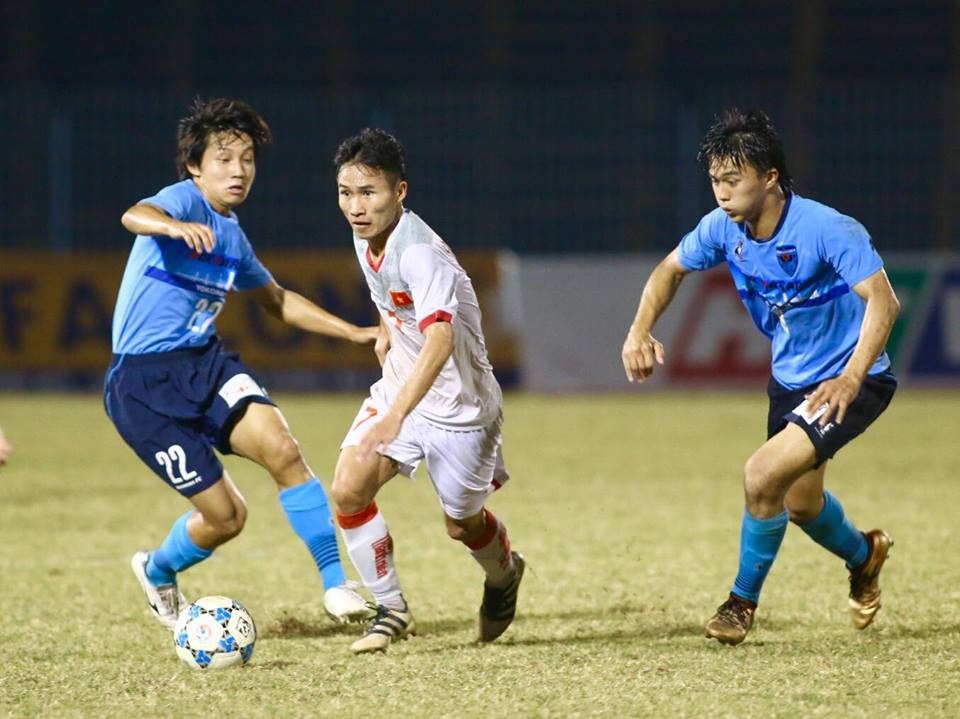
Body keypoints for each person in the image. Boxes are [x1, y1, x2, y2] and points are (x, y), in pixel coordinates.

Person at [621, 108, 901, 646]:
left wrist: (850, 377)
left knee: (760, 476)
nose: (721, 194)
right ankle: (866, 556)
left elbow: (884, 303)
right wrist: (639, 330)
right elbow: (668, 269)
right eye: (714, 182)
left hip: (852, 381)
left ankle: (739, 603)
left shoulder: (826, 228)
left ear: (769, 177)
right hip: (792, 382)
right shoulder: (723, 230)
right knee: (799, 504)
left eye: (733, 180)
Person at [106, 98, 377, 631]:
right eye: (224, 159)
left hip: (205, 367)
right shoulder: (181, 202)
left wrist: (354, 331)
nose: (238, 170)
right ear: (194, 167)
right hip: (142, 388)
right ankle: (157, 570)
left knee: (283, 449)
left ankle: (335, 585)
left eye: (247, 159)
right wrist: (169, 228)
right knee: (227, 519)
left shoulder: (231, 235)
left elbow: (275, 300)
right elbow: (134, 215)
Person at [330, 128, 524, 654]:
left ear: (400, 192)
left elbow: (439, 338)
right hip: (403, 386)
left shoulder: (421, 253)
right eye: (346, 192)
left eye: (368, 193)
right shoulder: (364, 234)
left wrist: (395, 416)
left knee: (462, 525)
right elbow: (393, 300)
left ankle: (505, 574)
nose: (355, 206)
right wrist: (389, 328)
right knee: (348, 488)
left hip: (460, 407)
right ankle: (390, 609)